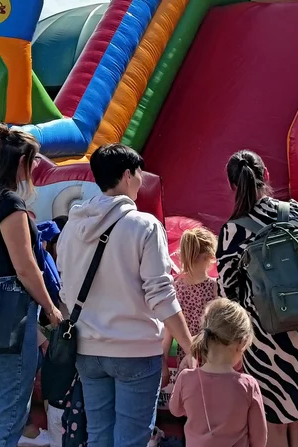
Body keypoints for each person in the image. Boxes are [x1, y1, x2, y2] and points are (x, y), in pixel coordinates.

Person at [59, 143, 196, 447]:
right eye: (138, 173)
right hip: (134, 349)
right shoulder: (144, 225)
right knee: (131, 439)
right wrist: (189, 345)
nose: (141, 179)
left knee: (98, 437)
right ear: (125, 175)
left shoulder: (72, 227)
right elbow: (160, 293)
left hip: (87, 349)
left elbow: (64, 289)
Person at [219, 150, 298, 447]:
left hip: (266, 339)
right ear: (266, 175)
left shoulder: (232, 230)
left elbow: (228, 292)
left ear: (232, 186)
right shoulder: (294, 211)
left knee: (274, 424)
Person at [0, 125, 63, 447]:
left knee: (2, 403)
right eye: (34, 161)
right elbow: (24, 267)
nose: (36, 168)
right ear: (22, 161)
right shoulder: (9, 204)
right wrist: (51, 310)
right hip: (13, 310)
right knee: (11, 408)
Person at [169, 298, 267, 447]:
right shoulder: (248, 385)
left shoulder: (186, 378)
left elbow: (176, 410)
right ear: (241, 344)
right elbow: (259, 440)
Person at [161, 227, 220, 393]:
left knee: (190, 406)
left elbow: (168, 331)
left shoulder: (174, 288)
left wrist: (163, 363)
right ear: (210, 257)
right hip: (212, 357)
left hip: (185, 360)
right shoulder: (215, 287)